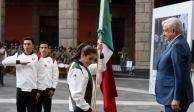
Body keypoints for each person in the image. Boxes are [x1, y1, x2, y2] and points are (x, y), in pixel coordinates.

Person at [155, 17, 193, 112]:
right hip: (171, 95)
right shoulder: (176, 43)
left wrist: (177, 98)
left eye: (165, 31)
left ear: (173, 31)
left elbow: (180, 74)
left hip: (174, 97)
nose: (163, 34)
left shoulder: (177, 45)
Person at [2, 37, 40, 112]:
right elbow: (4, 62)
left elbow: (40, 74)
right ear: (23, 45)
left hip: (32, 90)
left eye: (29, 44)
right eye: (25, 44)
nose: (27, 46)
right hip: (20, 89)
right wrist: (19, 62)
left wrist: (39, 90)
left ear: (33, 46)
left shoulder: (37, 57)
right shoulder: (18, 55)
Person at [67, 43, 105, 112]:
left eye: (93, 59)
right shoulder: (77, 69)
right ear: (83, 55)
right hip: (79, 109)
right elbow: (76, 95)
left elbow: (101, 68)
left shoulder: (85, 67)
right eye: (90, 58)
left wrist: (101, 53)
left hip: (84, 108)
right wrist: (89, 109)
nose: (91, 62)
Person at [37, 41, 59, 112]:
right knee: (37, 109)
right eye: (42, 47)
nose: (43, 49)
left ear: (48, 49)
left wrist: (53, 88)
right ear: (39, 49)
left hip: (48, 90)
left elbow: (55, 75)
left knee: (47, 109)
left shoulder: (52, 60)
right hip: (37, 90)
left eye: (45, 48)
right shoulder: (35, 59)